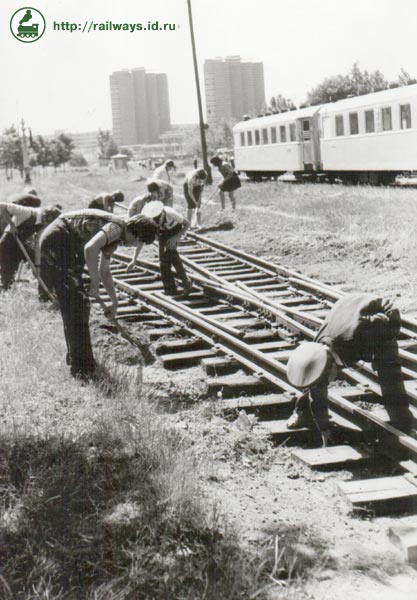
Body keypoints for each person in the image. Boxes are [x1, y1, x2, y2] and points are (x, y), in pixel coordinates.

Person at [40, 209, 157, 379]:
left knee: (77, 305)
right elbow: (90, 248)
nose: (134, 246)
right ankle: (82, 369)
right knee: (77, 305)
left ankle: (79, 361)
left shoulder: (116, 238)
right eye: (138, 241)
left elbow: (105, 272)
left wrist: (114, 302)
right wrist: (94, 283)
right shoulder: (116, 227)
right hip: (58, 239)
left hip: (68, 243)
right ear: (135, 233)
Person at [286, 293, 414, 443]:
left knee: (389, 372)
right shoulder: (319, 348)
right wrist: (324, 428)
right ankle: (303, 411)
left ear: (332, 366)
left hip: (383, 318)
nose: (327, 383)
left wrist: (381, 350)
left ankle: (402, 421)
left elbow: (385, 319)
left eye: (326, 379)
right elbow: (317, 389)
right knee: (315, 381)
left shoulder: (359, 334)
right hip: (346, 310)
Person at [127, 200, 192, 297]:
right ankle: (172, 288)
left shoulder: (171, 213)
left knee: (170, 253)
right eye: (154, 221)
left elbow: (187, 224)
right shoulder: (150, 222)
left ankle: (183, 283)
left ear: (162, 214)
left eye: (158, 220)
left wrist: (175, 238)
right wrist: (134, 260)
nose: (157, 222)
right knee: (164, 260)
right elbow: (141, 240)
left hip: (175, 230)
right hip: (163, 233)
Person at [0, 203, 61, 290]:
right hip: (7, 242)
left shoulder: (43, 224)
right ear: (45, 217)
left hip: (21, 243)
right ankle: (5, 287)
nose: (47, 225)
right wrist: (12, 225)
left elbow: (37, 244)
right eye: (47, 222)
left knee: (44, 263)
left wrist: (37, 266)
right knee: (7, 272)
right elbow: (2, 206)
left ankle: (46, 292)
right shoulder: (27, 212)